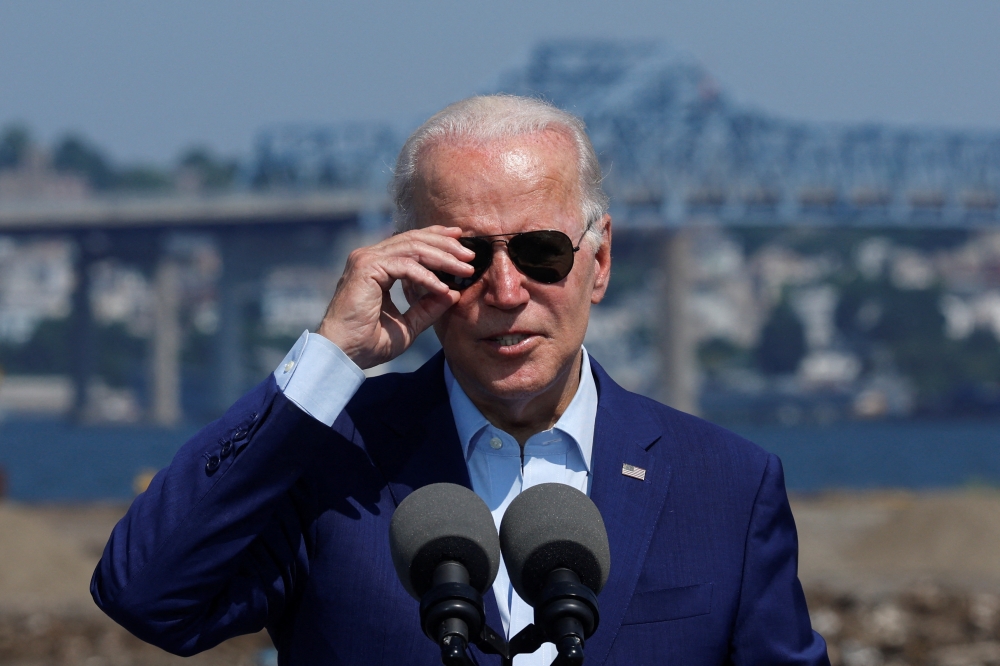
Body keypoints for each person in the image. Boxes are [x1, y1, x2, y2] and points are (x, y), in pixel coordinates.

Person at [92, 95, 830, 665]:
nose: (507, 291)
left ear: (598, 263)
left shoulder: (728, 487)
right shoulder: (329, 461)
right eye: (466, 260)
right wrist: (327, 360)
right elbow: (147, 595)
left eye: (542, 252)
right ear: (415, 270)